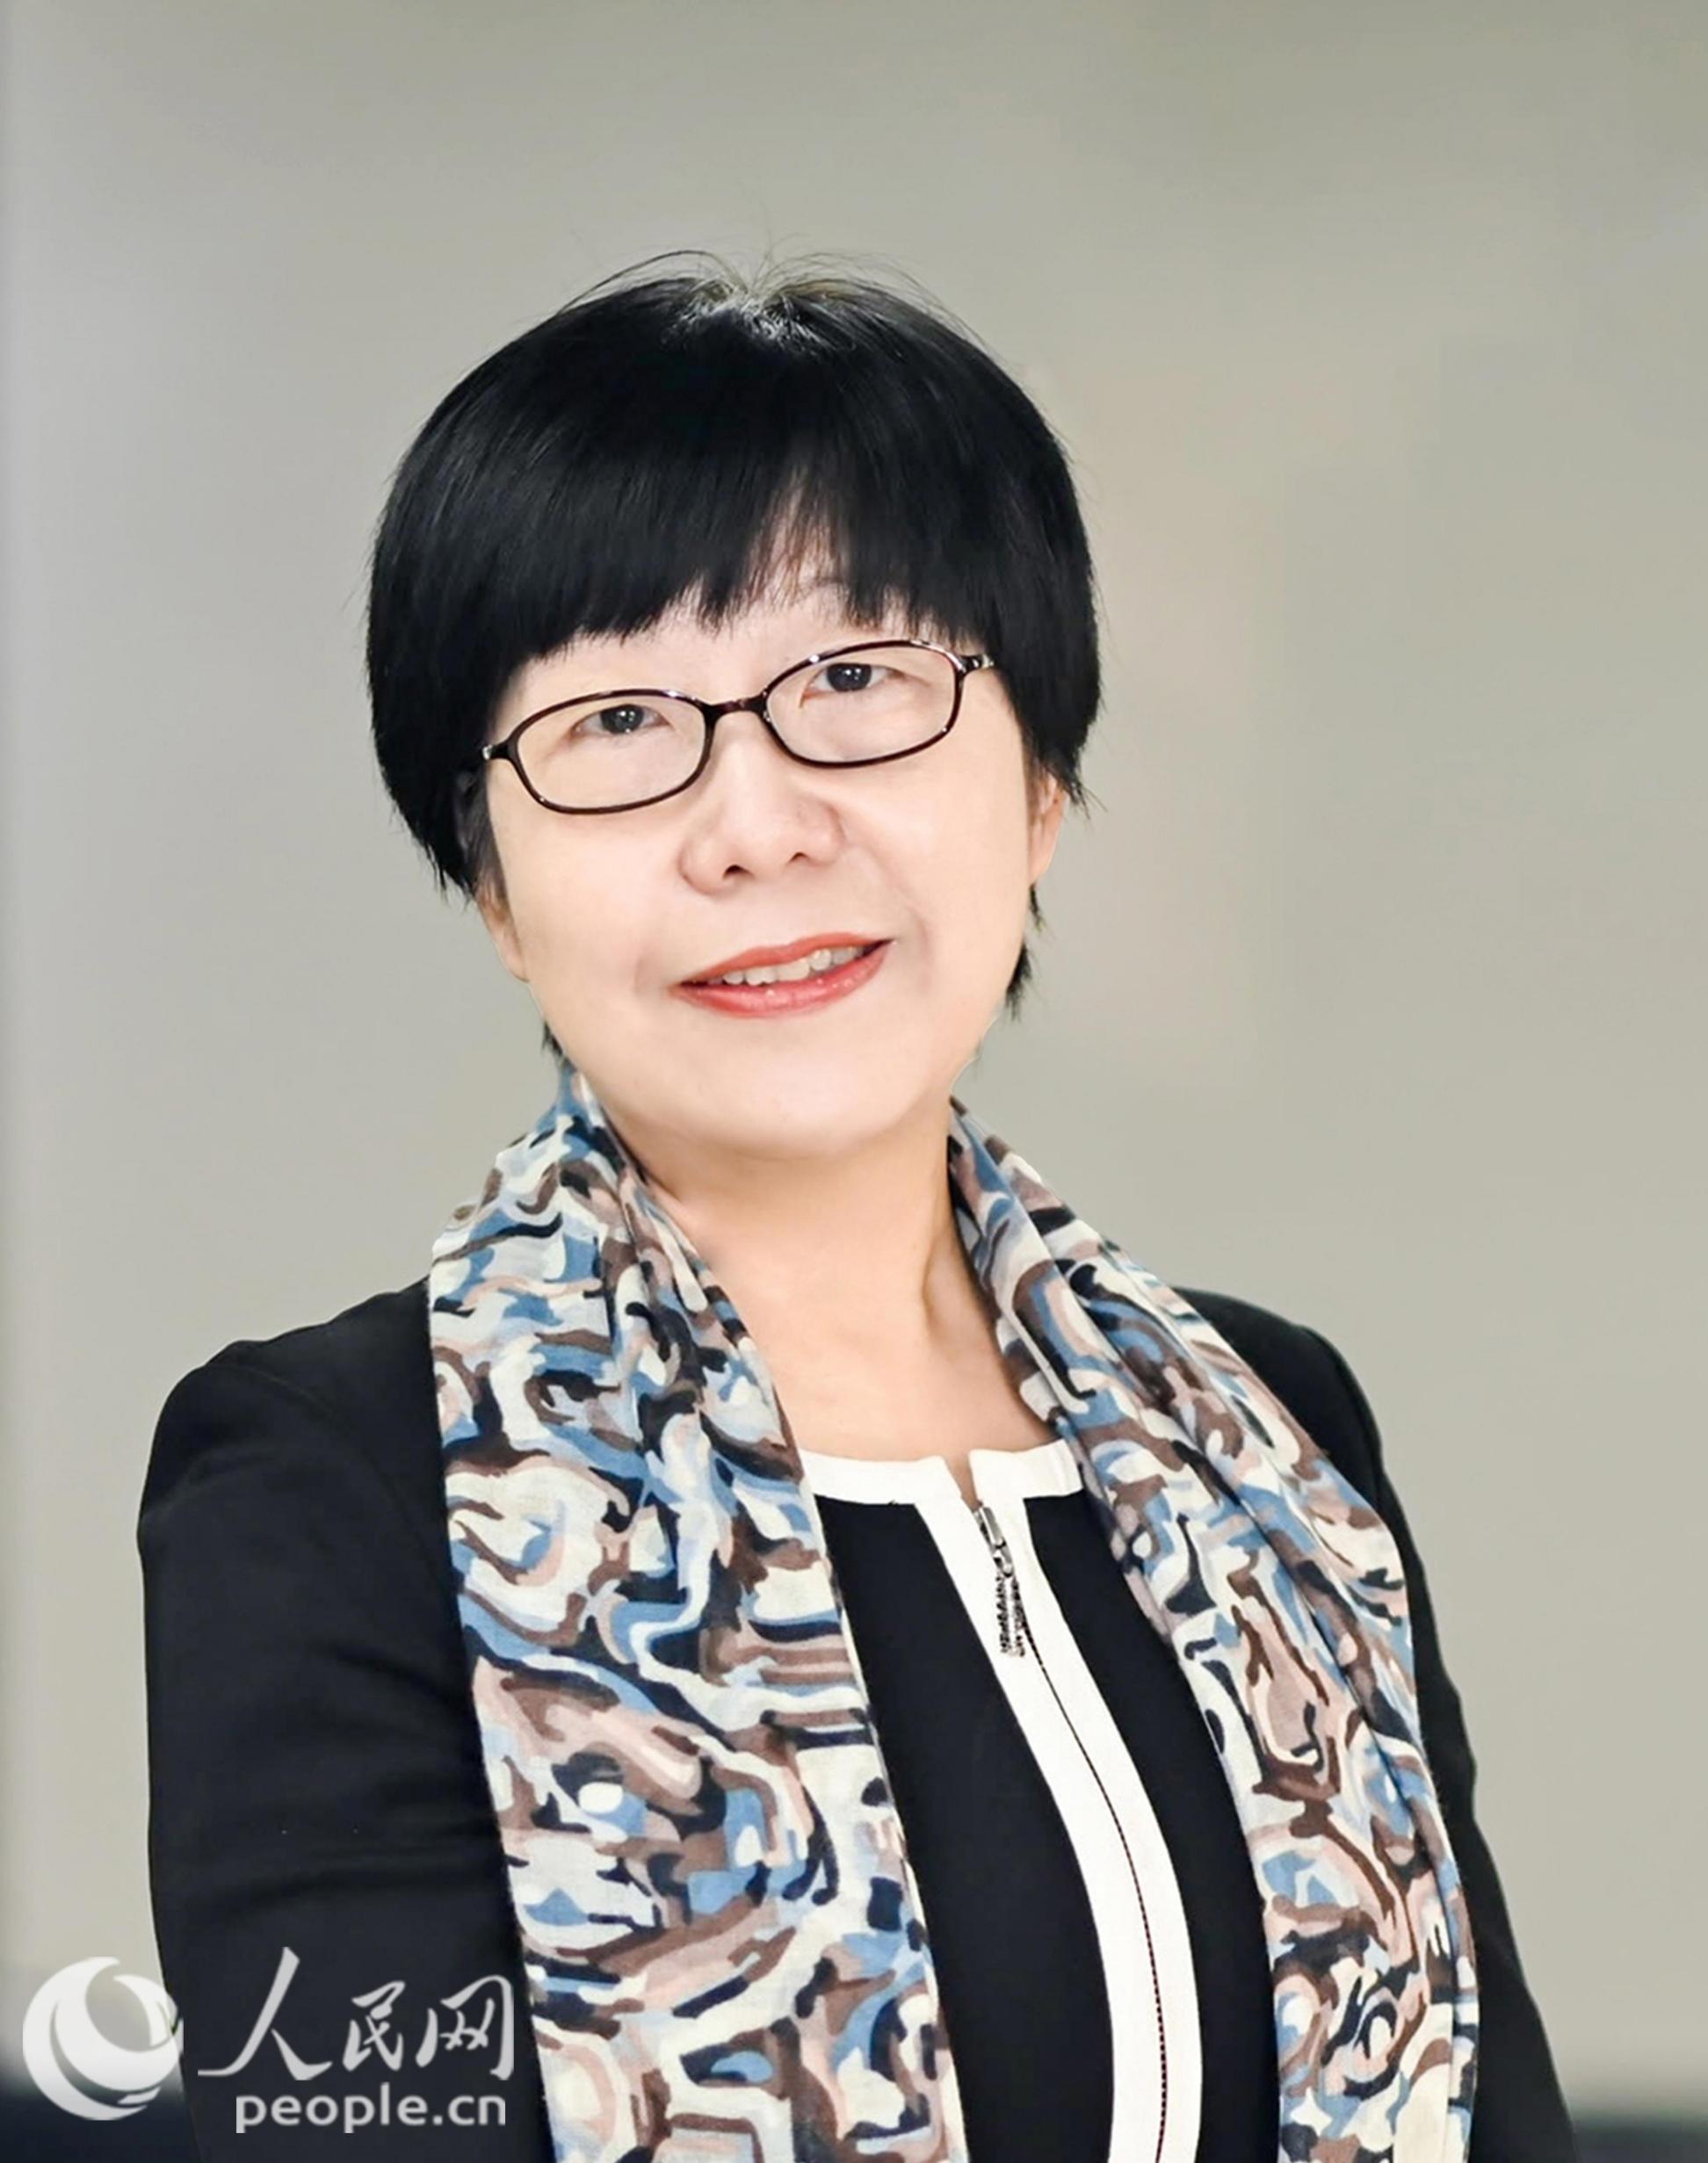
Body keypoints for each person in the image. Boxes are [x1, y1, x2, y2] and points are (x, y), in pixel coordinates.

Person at [139, 253, 1577, 2163]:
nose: (756, 823)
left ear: (1043, 784)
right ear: (492, 890)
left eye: (854, 682)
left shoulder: (1277, 1438)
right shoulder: (337, 1486)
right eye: (618, 724)